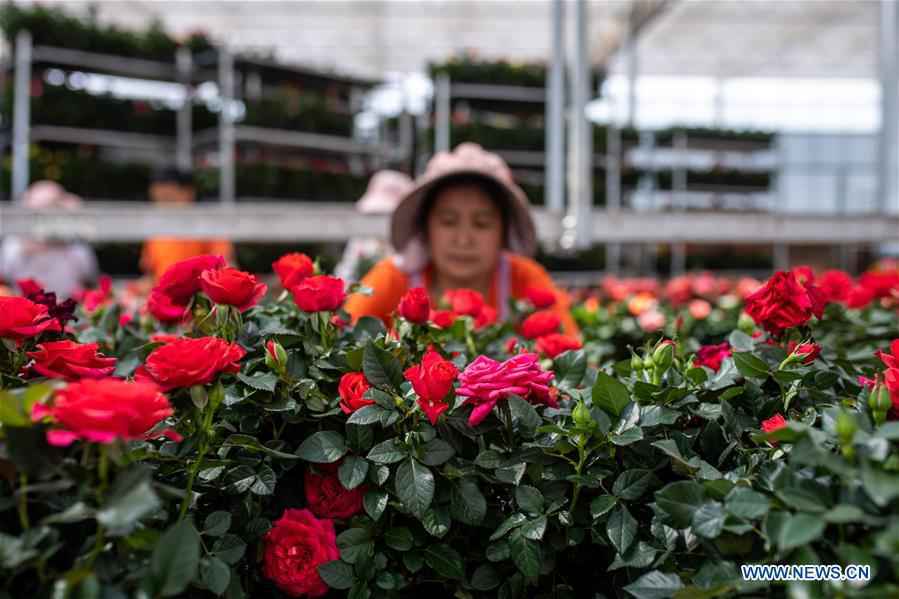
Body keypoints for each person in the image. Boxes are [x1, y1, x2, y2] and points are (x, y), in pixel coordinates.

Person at [345, 143, 578, 335]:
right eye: (448, 221)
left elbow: (572, 356)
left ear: (504, 230)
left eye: (482, 223)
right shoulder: (392, 279)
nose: (464, 240)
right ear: (425, 226)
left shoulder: (525, 278)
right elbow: (344, 343)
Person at [0, 181, 98, 298]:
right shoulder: (14, 245)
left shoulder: (76, 247)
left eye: (52, 207)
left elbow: (89, 280)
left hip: (68, 310)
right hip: (28, 311)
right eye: (36, 212)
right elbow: (5, 280)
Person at [140, 167, 235, 280]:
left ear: (189, 193)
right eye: (158, 200)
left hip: (197, 293)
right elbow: (149, 270)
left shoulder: (207, 224)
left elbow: (226, 267)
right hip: (162, 292)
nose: (164, 206)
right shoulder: (156, 227)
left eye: (169, 198)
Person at [333, 170, 413, 283]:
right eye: (372, 215)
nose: (378, 222)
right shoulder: (362, 238)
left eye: (384, 215)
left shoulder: (411, 248)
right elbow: (345, 274)